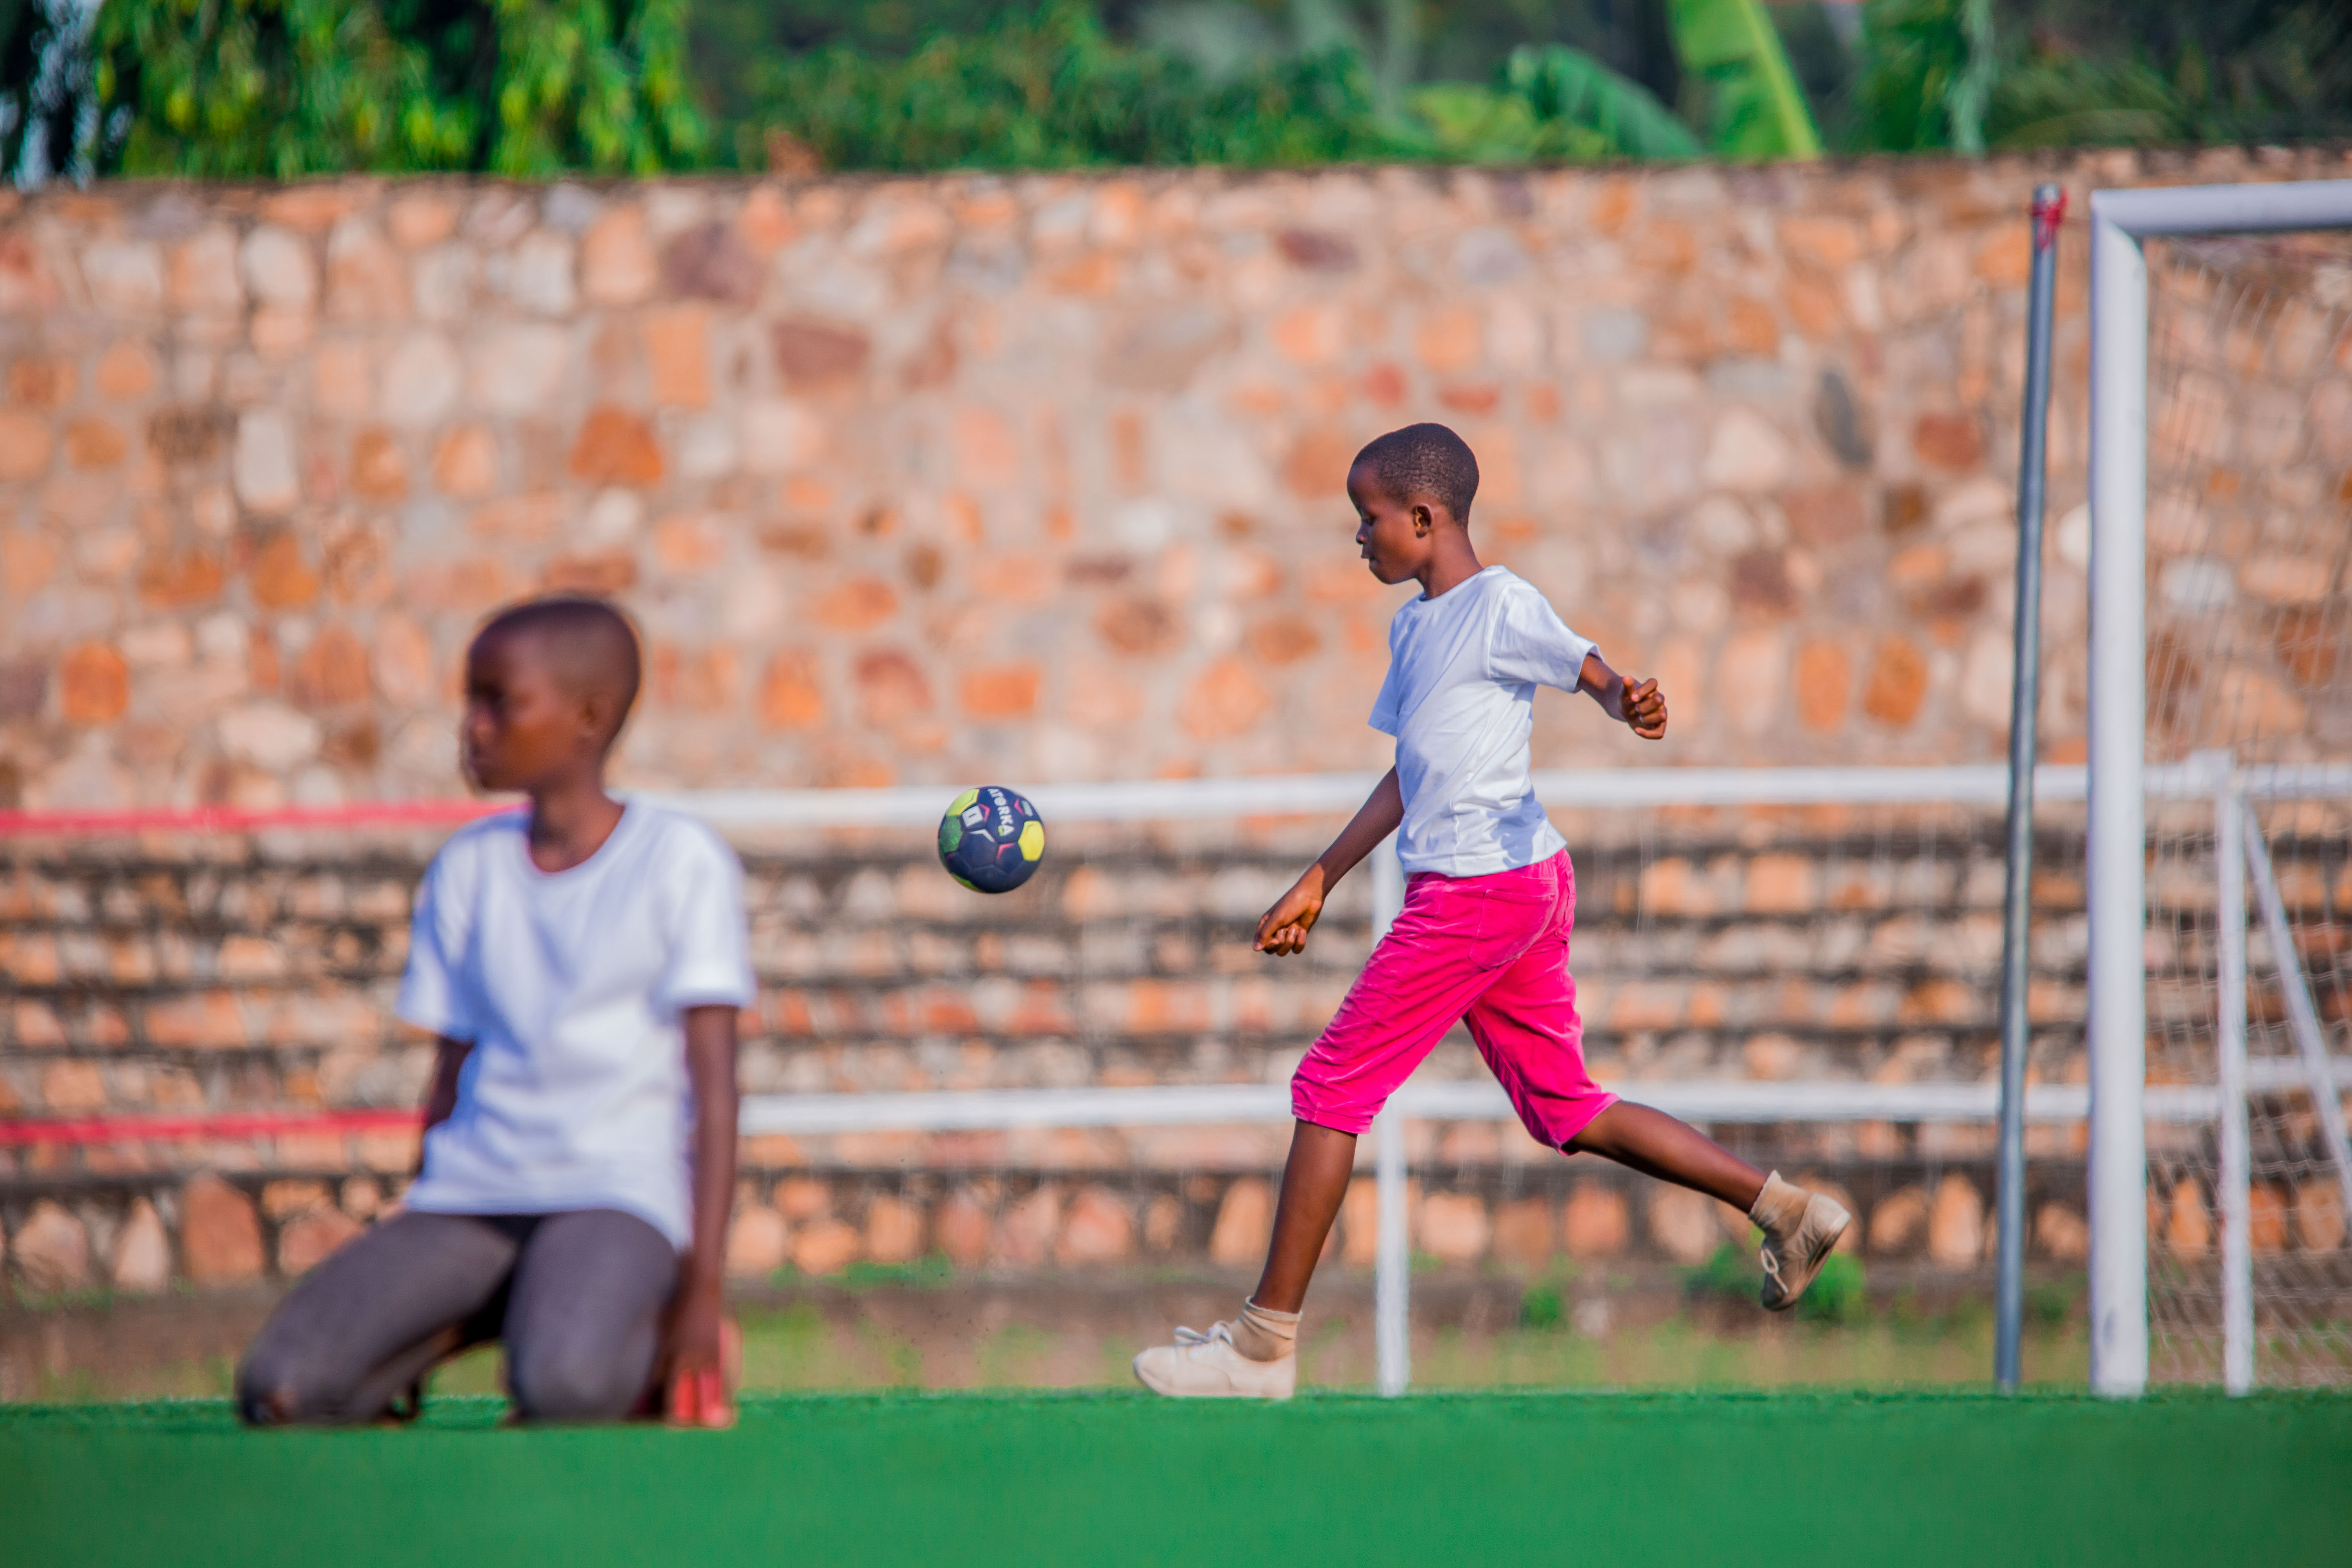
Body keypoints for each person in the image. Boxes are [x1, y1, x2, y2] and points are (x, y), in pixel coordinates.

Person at [1133, 423, 1851, 1399]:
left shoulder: (1500, 603)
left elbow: (1586, 667)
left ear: (1424, 520)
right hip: (1505, 885)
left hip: (1482, 890)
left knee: (1329, 1088)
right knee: (1565, 1108)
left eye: (1368, 518)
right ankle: (1784, 1210)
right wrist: (1321, 877)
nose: (1358, 537)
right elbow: (1409, 771)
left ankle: (1261, 1349)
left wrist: (1622, 701)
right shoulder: (1414, 628)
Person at [237, 596, 752, 1427]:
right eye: (469, 702)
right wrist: (407, 1259)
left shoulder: (679, 863)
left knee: (564, 1391)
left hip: (613, 1195)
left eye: (497, 703)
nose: (471, 727)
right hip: (474, 1198)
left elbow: (717, 1094)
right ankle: (477, 1312)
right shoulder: (468, 869)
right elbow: (451, 1071)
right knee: (284, 1389)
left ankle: (634, 1336)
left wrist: (702, 1293)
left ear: (587, 717)